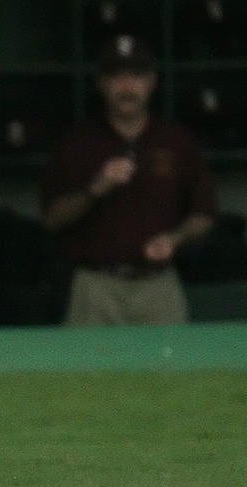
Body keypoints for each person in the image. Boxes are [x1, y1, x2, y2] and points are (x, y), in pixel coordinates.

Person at [40, 33, 217, 326]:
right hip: (95, 286)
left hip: (159, 285)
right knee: (86, 371)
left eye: (136, 76)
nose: (126, 87)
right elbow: (51, 220)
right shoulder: (77, 143)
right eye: (116, 77)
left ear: (151, 82)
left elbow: (205, 214)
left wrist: (175, 238)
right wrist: (95, 189)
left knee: (170, 370)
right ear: (100, 83)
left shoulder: (176, 141)